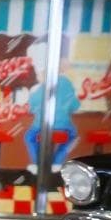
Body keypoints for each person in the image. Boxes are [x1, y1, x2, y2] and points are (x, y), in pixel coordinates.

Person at [24, 40, 80, 174]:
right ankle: (57, 162)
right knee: (73, 137)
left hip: (40, 126)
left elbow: (31, 108)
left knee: (29, 137)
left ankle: (37, 164)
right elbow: (75, 105)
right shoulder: (66, 82)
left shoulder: (37, 89)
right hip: (64, 126)